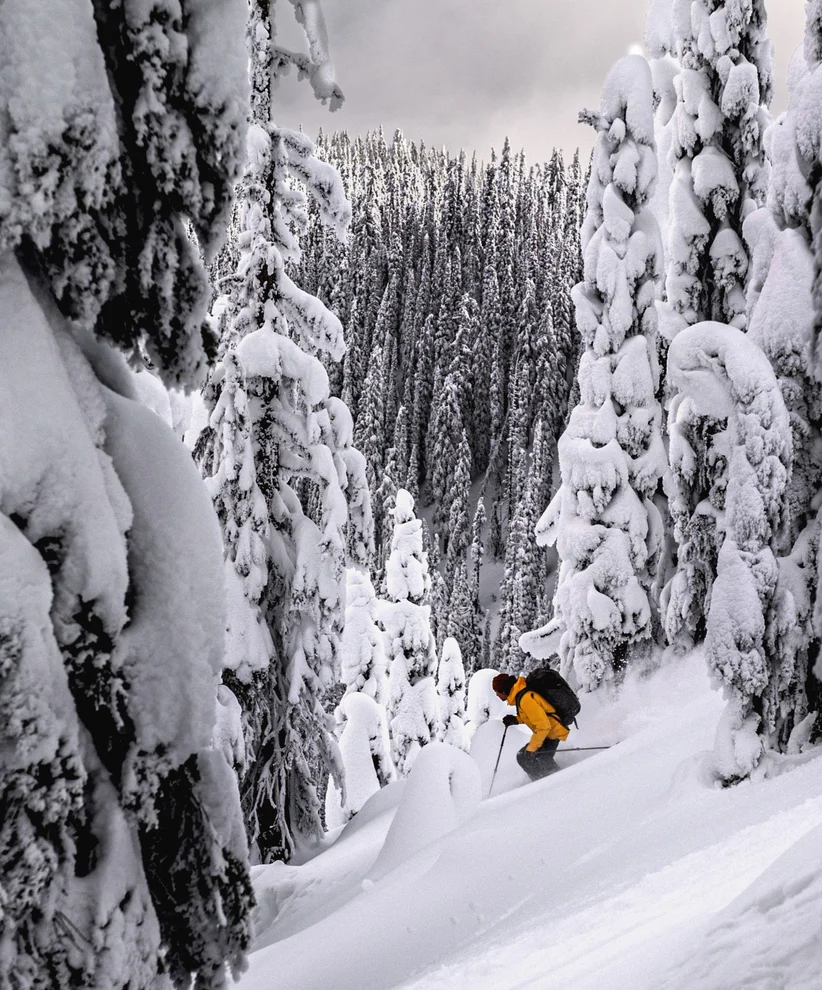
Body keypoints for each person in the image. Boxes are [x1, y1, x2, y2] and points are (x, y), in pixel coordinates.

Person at [492, 672, 569, 780]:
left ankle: (555, 781)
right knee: (528, 757)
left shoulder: (525, 699)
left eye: (497, 692)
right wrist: (515, 720)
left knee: (536, 757)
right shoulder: (521, 696)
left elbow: (543, 726)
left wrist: (532, 749)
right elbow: (533, 716)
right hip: (549, 731)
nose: (496, 695)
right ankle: (548, 780)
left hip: (552, 732)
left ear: (503, 691)